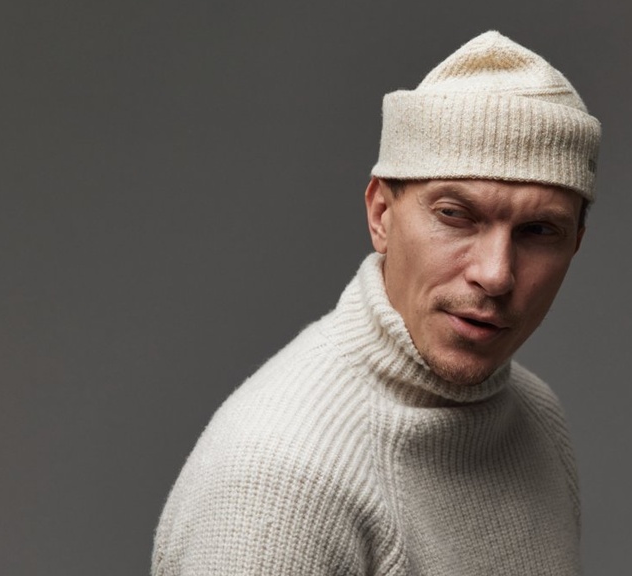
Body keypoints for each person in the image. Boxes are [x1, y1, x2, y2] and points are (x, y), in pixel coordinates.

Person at [152, 30, 601, 576]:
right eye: (455, 215)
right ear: (381, 215)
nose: (495, 274)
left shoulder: (535, 419)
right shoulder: (279, 478)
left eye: (539, 231)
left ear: (576, 243)